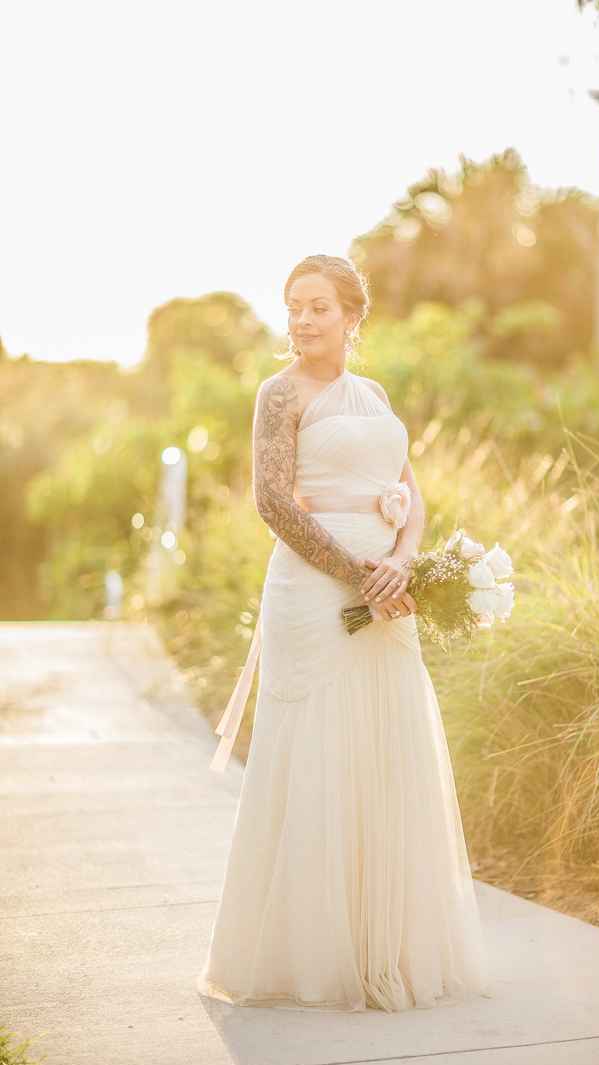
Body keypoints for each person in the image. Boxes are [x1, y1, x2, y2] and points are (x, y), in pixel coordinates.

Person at [196, 254, 492, 1012]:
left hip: (389, 592)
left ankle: (384, 944)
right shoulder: (278, 395)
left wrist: (402, 564)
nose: (301, 320)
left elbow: (409, 496)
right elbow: (272, 503)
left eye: (318, 306)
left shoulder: (377, 394)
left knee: (384, 746)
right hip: (312, 589)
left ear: (352, 315)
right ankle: (314, 954)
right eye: (293, 306)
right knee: (318, 754)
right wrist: (359, 572)